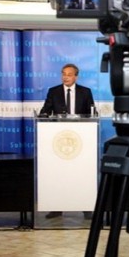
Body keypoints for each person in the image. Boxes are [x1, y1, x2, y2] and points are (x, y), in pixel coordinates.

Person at [39, 63, 95, 220]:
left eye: (69, 74)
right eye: (63, 74)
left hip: (81, 140)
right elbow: (44, 112)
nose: (65, 77)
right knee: (58, 174)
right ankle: (57, 208)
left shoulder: (85, 92)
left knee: (82, 174)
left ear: (76, 76)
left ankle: (86, 207)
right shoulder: (54, 91)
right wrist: (44, 115)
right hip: (58, 140)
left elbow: (91, 114)